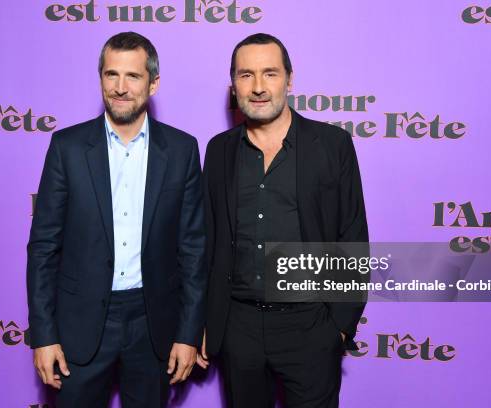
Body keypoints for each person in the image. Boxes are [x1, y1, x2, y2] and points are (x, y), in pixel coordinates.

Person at [27, 31, 206, 408]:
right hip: (81, 324)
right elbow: (43, 248)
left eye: (133, 76)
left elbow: (193, 250)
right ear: (101, 80)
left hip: (152, 323)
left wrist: (188, 334)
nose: (120, 88)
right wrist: (43, 336)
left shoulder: (182, 150)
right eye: (111, 75)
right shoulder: (67, 148)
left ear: (153, 83)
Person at [197, 33, 368, 407]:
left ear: (289, 79)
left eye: (270, 73)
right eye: (246, 75)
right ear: (233, 85)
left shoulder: (332, 145)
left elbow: (353, 236)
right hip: (238, 328)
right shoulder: (219, 150)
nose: (258, 87)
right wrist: (208, 322)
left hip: (309, 325)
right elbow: (207, 244)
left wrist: (337, 328)